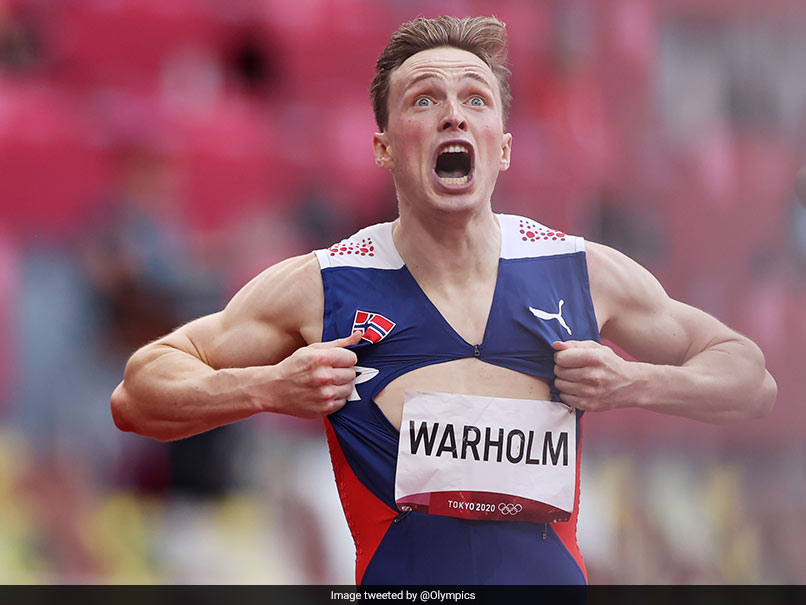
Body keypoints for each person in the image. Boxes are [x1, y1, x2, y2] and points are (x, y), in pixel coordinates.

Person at [111, 16, 777, 585]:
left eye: (476, 99)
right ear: (382, 146)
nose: (454, 112)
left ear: (504, 148)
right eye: (424, 99)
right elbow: (137, 394)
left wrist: (635, 380)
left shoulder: (581, 273)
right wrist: (266, 386)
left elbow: (750, 378)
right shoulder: (326, 283)